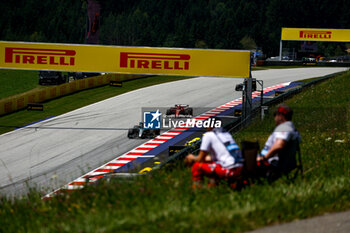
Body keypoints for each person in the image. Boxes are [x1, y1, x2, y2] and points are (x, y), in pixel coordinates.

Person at [185, 118, 243, 188]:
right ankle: (213, 187)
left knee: (197, 166)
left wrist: (192, 158)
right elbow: (218, 157)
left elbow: (200, 159)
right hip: (241, 168)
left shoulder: (208, 135)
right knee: (212, 164)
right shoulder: (226, 134)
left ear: (210, 126)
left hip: (230, 170)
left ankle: (198, 190)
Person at [257, 104, 301, 178]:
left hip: (271, 163)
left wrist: (263, 158)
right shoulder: (293, 129)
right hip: (282, 163)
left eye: (275, 115)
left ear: (280, 116)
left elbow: (279, 145)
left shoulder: (284, 127)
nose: (274, 118)